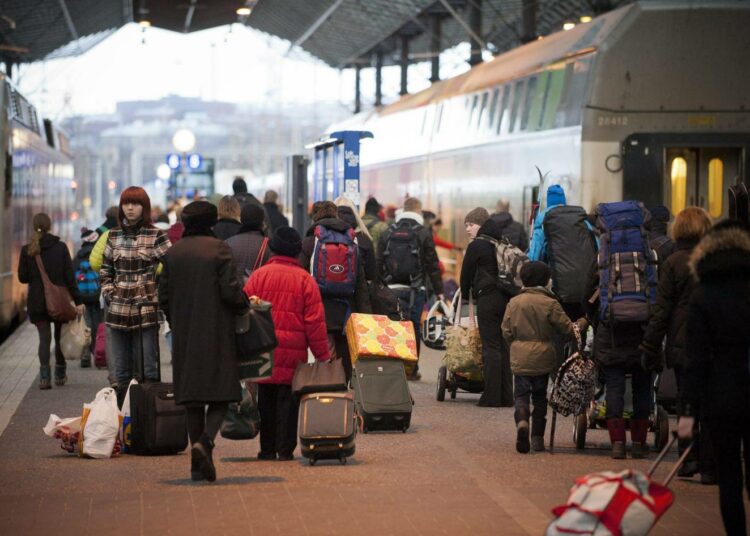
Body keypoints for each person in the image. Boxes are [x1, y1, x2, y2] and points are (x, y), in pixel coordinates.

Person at [158, 200, 249, 482]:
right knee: (224, 391)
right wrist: (245, 305)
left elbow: (163, 296)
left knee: (192, 398)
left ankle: (196, 467)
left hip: (184, 332)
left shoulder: (174, 254)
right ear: (211, 221)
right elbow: (231, 292)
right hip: (216, 330)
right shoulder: (219, 249)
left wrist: (176, 321)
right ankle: (206, 442)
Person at [679, 220, 750, 535]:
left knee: (730, 475)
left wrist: (688, 412)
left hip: (722, 395)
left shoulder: (703, 294)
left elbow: (695, 359)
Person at [640, 207, 715, 483]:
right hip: (714, 345)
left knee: (686, 402)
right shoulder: (715, 260)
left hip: (683, 345)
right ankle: (710, 466)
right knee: (710, 404)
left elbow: (661, 311)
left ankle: (687, 458)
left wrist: (650, 346)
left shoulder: (672, 263)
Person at [244, 227, 331, 461]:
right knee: (288, 402)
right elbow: (314, 322)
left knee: (266, 401)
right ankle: (285, 450)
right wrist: (323, 355)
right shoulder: (305, 279)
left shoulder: (259, 276)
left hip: (265, 351)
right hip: (293, 354)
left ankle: (266, 449)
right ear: (296, 252)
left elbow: (243, 311)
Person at [502, 262, 585, 453]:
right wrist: (583, 321)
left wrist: (516, 345)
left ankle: (522, 420)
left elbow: (505, 330)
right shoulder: (550, 303)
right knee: (540, 398)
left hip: (520, 357)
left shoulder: (514, 302)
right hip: (544, 356)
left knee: (521, 395)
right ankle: (538, 438)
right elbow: (568, 329)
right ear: (546, 281)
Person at [100, 187, 171, 405]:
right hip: (116, 311)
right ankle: (124, 422)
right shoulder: (113, 235)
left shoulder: (156, 235)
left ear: (144, 207)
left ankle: (150, 421)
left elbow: (172, 267)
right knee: (120, 373)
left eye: (136, 204)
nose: (130, 208)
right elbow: (105, 270)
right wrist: (109, 292)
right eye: (126, 204)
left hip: (146, 311)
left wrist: (156, 294)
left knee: (148, 369)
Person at [301, 201, 371, 381]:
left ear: (315, 217)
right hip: (346, 309)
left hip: (318, 309)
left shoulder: (310, 242)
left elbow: (301, 279)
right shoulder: (351, 241)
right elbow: (360, 283)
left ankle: (323, 391)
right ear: (336, 215)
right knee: (344, 356)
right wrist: (365, 317)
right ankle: (342, 393)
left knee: (324, 354)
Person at [378, 197, 444, 380]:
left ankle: (392, 366)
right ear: (418, 211)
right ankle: (411, 370)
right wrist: (439, 291)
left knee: (392, 327)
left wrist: (378, 286)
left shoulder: (388, 231)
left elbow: (379, 262)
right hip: (416, 289)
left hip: (391, 288)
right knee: (413, 328)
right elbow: (432, 264)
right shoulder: (423, 233)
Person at [18, 213, 84, 389]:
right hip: (59, 302)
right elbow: (70, 278)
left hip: (37, 303)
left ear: (34, 227)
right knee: (59, 336)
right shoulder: (61, 247)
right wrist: (78, 301)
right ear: (49, 226)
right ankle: (60, 374)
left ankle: (44, 378)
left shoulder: (27, 250)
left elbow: (22, 278)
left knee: (44, 339)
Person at [460, 207, 512, 407]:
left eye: (471, 224)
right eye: (466, 225)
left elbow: (466, 275)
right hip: (505, 299)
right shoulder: (502, 241)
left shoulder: (477, 246)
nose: (468, 229)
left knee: (490, 347)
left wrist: (466, 295)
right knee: (502, 346)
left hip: (488, 299)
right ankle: (507, 396)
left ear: (481, 224)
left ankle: (491, 396)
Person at [74, 228, 104, 368]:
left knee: (85, 326)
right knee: (99, 326)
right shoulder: (99, 255)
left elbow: (71, 278)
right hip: (97, 297)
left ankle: (85, 354)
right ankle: (98, 354)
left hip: (83, 298)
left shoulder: (77, 257)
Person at [335, 196, 377, 281]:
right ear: (355, 213)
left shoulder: (322, 236)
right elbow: (371, 274)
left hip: (327, 291)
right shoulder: (364, 238)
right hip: (357, 291)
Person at [226, 203, 270, 283]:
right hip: (258, 293)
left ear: (241, 220)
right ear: (261, 222)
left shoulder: (228, 243)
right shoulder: (269, 245)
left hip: (234, 293)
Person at [528, 185, 567, 262]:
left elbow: (534, 256)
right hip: (582, 271)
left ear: (549, 200)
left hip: (552, 271)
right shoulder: (576, 217)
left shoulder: (543, 219)